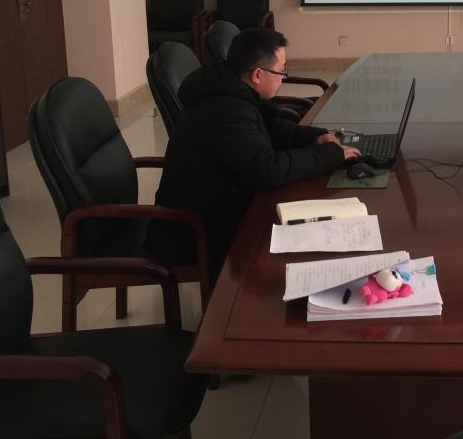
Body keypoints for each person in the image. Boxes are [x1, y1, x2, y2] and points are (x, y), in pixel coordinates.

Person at [145, 27, 361, 280]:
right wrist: (329, 156)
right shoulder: (225, 110)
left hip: (224, 203)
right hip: (195, 229)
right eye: (281, 71)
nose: (283, 78)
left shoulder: (231, 87)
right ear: (257, 74)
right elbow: (267, 170)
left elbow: (269, 128)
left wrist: (314, 137)